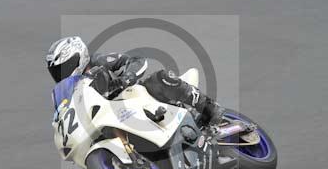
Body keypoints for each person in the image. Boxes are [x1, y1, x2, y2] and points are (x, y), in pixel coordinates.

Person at [46, 36, 223, 127]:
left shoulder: (99, 61)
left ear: (79, 56)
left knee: (159, 78)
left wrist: (125, 80)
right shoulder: (71, 91)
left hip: (133, 100)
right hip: (111, 117)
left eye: (64, 66)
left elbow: (138, 61)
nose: (61, 74)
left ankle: (210, 108)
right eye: (56, 71)